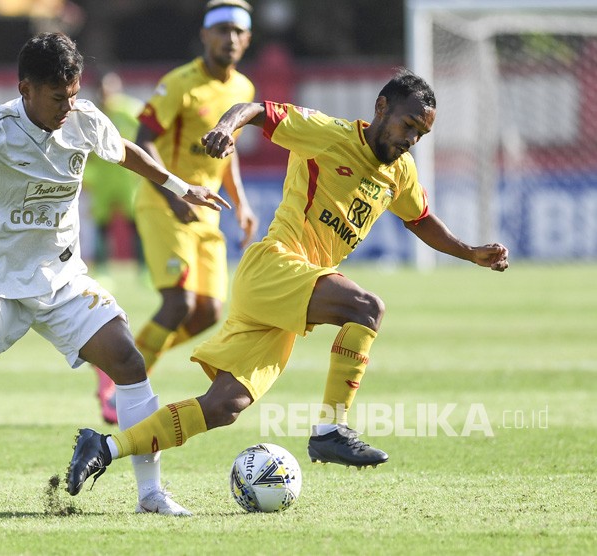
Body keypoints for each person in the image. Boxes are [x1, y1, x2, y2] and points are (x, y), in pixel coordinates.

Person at [66, 68, 510, 507]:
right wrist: (225, 128)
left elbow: (420, 219)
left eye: (420, 134)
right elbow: (253, 110)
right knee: (366, 308)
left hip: (292, 292)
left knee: (225, 405)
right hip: (275, 266)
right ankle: (331, 430)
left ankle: (103, 448)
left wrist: (468, 251)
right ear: (381, 108)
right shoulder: (327, 132)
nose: (411, 139)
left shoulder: (401, 172)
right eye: (407, 125)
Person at [0, 32, 229, 518]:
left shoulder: (83, 118)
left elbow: (124, 151)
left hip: (63, 279)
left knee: (129, 363)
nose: (67, 107)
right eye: (58, 98)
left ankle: (151, 494)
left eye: (73, 95)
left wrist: (181, 188)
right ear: (25, 89)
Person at [94, 0, 258, 426]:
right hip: (163, 202)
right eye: (221, 30)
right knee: (179, 301)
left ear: (248, 39)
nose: (230, 39)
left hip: (208, 209)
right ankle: (125, 384)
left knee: (208, 311)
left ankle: (122, 361)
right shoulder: (179, 84)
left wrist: (240, 202)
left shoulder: (243, 90)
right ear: (204, 36)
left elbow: (229, 153)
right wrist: (174, 195)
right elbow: (143, 139)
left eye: (238, 32)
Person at [81, 71, 147, 424]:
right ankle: (104, 268)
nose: (106, 94)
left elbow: (145, 139)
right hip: (105, 179)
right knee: (104, 229)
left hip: (127, 177)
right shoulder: (90, 113)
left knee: (137, 228)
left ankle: (144, 270)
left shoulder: (131, 112)